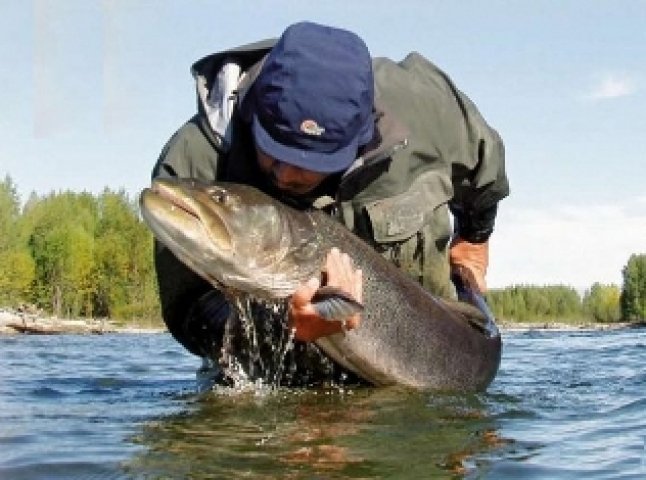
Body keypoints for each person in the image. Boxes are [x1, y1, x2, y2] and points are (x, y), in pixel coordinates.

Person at [151, 21, 509, 380]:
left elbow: (485, 169)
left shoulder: (426, 105)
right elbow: (191, 313)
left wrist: (474, 239)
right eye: (273, 150)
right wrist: (279, 328)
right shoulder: (193, 162)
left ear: (361, 137)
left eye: (310, 164)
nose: (286, 175)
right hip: (273, 373)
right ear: (254, 111)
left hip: (447, 359)